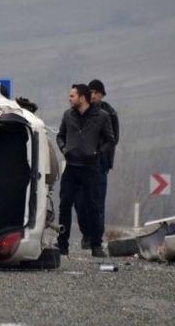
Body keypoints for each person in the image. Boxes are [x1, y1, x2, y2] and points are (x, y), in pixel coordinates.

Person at [56, 83, 115, 258]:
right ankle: (62, 244)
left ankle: (96, 245)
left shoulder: (102, 116)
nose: (69, 98)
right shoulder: (68, 115)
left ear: (82, 97)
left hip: (91, 168)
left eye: (72, 96)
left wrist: (98, 153)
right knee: (65, 205)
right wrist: (64, 149)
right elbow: (60, 135)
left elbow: (110, 139)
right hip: (72, 167)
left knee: (94, 206)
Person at [76, 79, 120, 250]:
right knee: (79, 201)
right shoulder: (79, 111)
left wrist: (99, 152)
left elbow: (113, 139)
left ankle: (95, 237)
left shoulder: (110, 113)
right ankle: (86, 233)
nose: (93, 95)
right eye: (90, 92)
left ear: (101, 94)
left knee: (97, 201)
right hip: (79, 162)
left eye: (96, 92)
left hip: (99, 163)